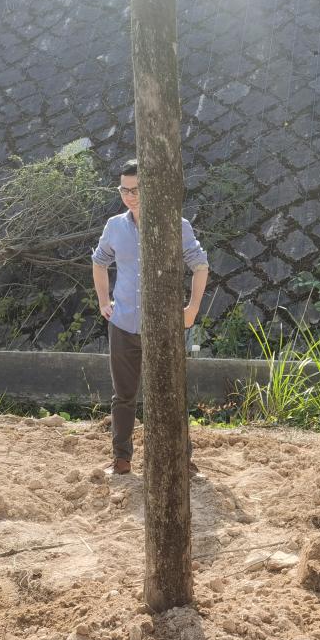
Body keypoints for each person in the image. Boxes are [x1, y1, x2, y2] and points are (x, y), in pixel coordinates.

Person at [91, 159, 209, 475]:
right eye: (124, 190)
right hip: (123, 323)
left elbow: (200, 265)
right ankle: (121, 459)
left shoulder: (176, 224)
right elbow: (99, 262)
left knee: (172, 394)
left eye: (136, 189)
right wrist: (103, 301)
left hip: (164, 326)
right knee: (124, 396)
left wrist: (192, 309)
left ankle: (182, 458)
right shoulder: (114, 226)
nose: (130, 196)